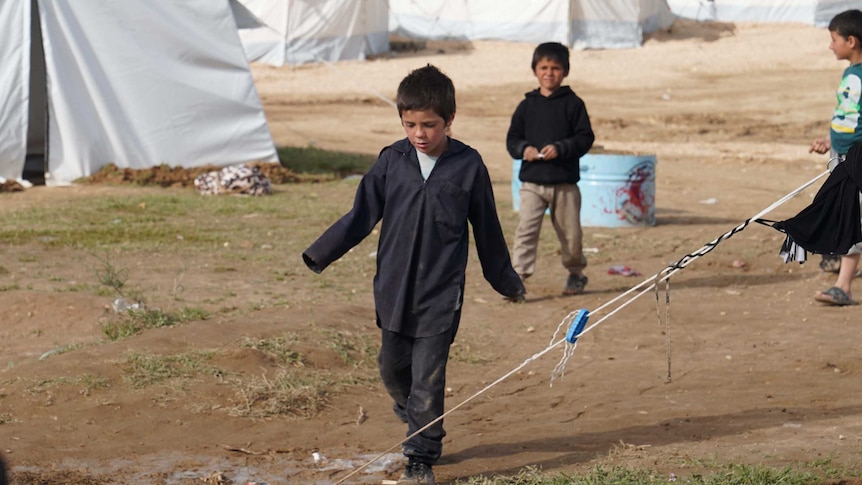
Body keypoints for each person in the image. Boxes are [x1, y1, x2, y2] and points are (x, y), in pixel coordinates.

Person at [302, 64, 525, 485]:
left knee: (428, 375)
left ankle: (421, 454)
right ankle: (418, 416)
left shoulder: (468, 165)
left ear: (449, 120)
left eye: (429, 125)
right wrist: (321, 253)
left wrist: (505, 279)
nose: (419, 134)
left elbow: (487, 228)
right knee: (391, 368)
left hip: (441, 294)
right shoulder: (392, 161)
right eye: (410, 124)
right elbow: (360, 215)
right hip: (393, 290)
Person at [506, 42, 595, 296]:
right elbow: (512, 139)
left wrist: (562, 148)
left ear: (565, 71)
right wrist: (524, 149)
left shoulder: (573, 104)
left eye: (555, 68)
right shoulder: (526, 106)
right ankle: (517, 279)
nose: (549, 72)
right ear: (534, 70)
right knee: (526, 230)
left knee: (571, 236)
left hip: (565, 184)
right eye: (543, 67)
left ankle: (576, 274)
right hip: (532, 184)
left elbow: (585, 137)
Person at [809, 9, 862, 306]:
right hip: (841, 153)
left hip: (856, 158)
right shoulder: (850, 74)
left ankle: (843, 286)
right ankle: (837, 259)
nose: (830, 45)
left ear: (851, 41)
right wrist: (830, 140)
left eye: (834, 39)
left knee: (851, 215)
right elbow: (850, 115)